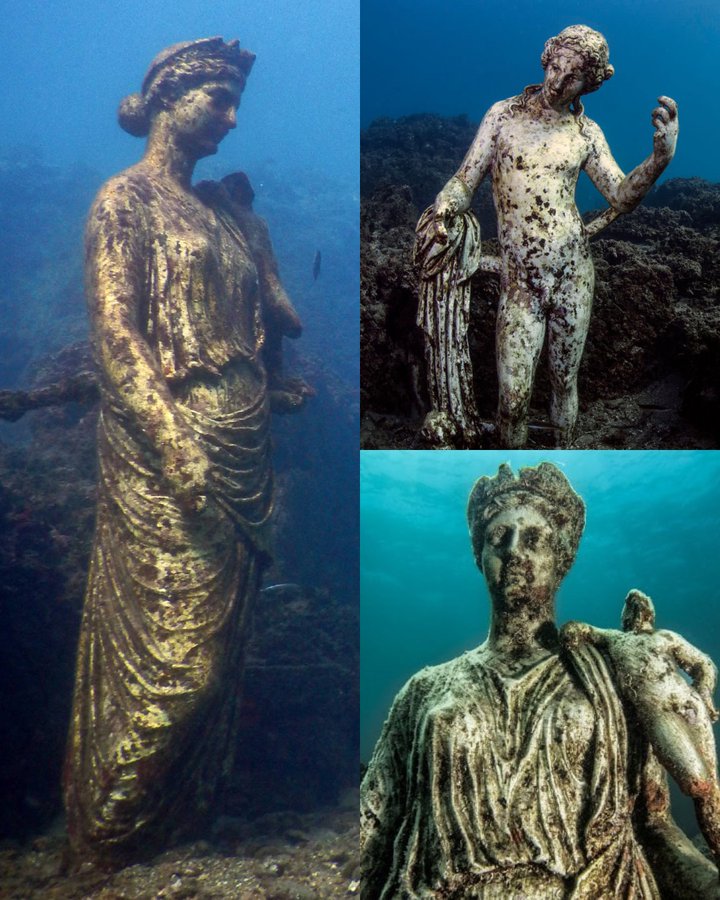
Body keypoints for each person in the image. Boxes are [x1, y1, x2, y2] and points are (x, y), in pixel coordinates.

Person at [63, 38, 304, 867]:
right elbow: (115, 334)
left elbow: (246, 331)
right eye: (218, 99)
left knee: (224, 662)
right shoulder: (123, 202)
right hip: (173, 456)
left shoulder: (221, 214)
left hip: (245, 449)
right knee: (179, 666)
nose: (232, 119)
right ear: (168, 97)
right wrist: (172, 441)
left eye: (239, 102)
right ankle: (102, 846)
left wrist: (274, 393)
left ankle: (169, 842)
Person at [361, 463, 717, 898]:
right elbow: (376, 824)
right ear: (480, 555)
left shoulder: (609, 676)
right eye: (498, 537)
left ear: (561, 558)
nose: (514, 551)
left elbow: (653, 825)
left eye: (534, 539)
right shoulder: (425, 690)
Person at [431, 26, 678, 448]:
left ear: (591, 83)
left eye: (574, 76)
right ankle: (511, 470)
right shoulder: (503, 117)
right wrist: (446, 205)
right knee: (513, 398)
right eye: (557, 67)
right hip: (520, 282)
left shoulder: (585, 134)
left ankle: (564, 458)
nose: (558, 81)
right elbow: (463, 180)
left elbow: (620, 195)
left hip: (573, 274)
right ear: (547, 59)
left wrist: (659, 159)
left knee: (564, 382)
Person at [562, 589, 720, 869]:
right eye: (629, 603)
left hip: (691, 705)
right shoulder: (614, 639)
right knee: (699, 785)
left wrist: (705, 692)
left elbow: (703, 664)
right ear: (623, 615)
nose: (636, 602)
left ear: (651, 613)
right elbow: (580, 629)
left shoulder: (667, 637)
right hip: (659, 713)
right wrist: (571, 641)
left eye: (643, 602)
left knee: (712, 793)